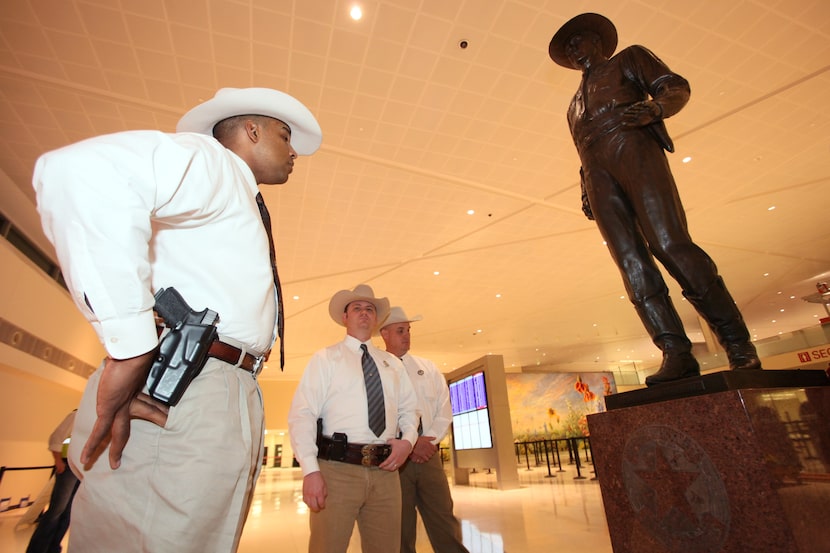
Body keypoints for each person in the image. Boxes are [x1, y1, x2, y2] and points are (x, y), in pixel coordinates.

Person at [32, 87, 322, 552]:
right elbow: (81, 174)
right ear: (251, 131)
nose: (293, 153)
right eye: (285, 136)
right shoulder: (215, 164)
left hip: (213, 380)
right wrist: (131, 347)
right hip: (185, 383)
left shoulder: (235, 192)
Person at [548, 13, 762, 386]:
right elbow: (582, 151)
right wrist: (586, 188)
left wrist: (658, 107)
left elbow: (674, 86)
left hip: (633, 145)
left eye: (576, 40)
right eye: (567, 49)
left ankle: (737, 342)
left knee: (669, 244)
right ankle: (675, 351)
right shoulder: (571, 107)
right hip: (598, 171)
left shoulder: (629, 59)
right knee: (631, 263)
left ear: (596, 41)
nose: (572, 50)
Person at [288, 284, 418, 553]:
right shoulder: (325, 359)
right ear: (345, 317)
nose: (364, 313)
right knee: (327, 547)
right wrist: (311, 470)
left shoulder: (392, 364)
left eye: (369, 309)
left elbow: (410, 410)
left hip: (386, 473)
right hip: (336, 471)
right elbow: (303, 414)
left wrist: (408, 442)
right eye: (356, 308)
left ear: (376, 318)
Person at [378, 307, 469, 553]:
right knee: (400, 526)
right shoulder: (377, 368)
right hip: (395, 461)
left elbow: (444, 409)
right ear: (384, 333)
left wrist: (426, 442)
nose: (406, 335)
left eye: (408, 330)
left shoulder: (427, 368)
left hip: (429, 456)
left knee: (444, 518)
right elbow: (378, 413)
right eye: (400, 331)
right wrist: (410, 442)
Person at [25, 410, 80, 553]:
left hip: (80, 471)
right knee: (56, 511)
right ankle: (37, 549)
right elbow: (56, 438)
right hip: (67, 467)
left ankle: (53, 548)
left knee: (68, 513)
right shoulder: (77, 415)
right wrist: (58, 461)